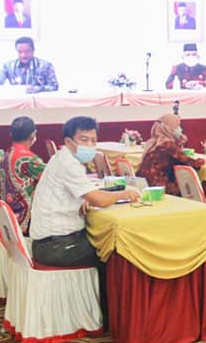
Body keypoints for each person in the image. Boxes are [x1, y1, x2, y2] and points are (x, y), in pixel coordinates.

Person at [29, 117, 141, 326]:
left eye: (93, 140)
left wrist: (83, 199)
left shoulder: (63, 158)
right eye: (84, 139)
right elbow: (100, 200)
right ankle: (113, 319)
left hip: (52, 239)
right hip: (55, 245)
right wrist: (124, 193)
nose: (90, 144)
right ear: (69, 141)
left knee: (108, 243)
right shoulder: (68, 163)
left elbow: (83, 194)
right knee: (115, 252)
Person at [135, 113, 205, 197]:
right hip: (159, 189)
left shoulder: (153, 142)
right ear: (169, 128)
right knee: (191, 188)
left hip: (144, 185)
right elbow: (192, 163)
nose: (180, 129)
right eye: (178, 126)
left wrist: (179, 143)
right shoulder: (167, 145)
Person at [0, 116, 46, 234]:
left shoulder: (6, 154)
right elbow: (53, 178)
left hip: (10, 214)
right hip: (26, 216)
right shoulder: (28, 159)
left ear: (11, 134)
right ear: (33, 134)